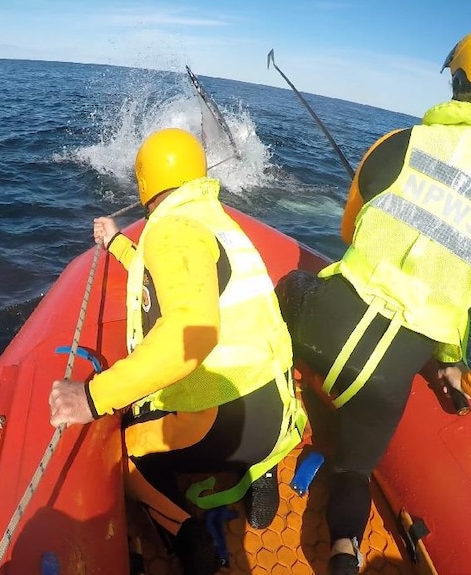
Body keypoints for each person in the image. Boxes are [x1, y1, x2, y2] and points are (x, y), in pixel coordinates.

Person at [274, 26, 471, 575]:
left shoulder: (396, 143)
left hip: (324, 324)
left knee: (286, 290)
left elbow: (351, 233)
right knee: (353, 474)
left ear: (461, 81)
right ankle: (344, 551)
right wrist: (465, 382)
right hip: (391, 375)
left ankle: (262, 453)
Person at [48, 127, 307, 575]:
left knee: (121, 455)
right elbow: (171, 275)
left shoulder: (172, 229)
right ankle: (261, 472)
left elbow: (192, 330)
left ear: (145, 184)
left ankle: (188, 539)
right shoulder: (217, 221)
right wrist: (119, 245)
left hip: (222, 422)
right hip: (276, 415)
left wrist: (92, 397)